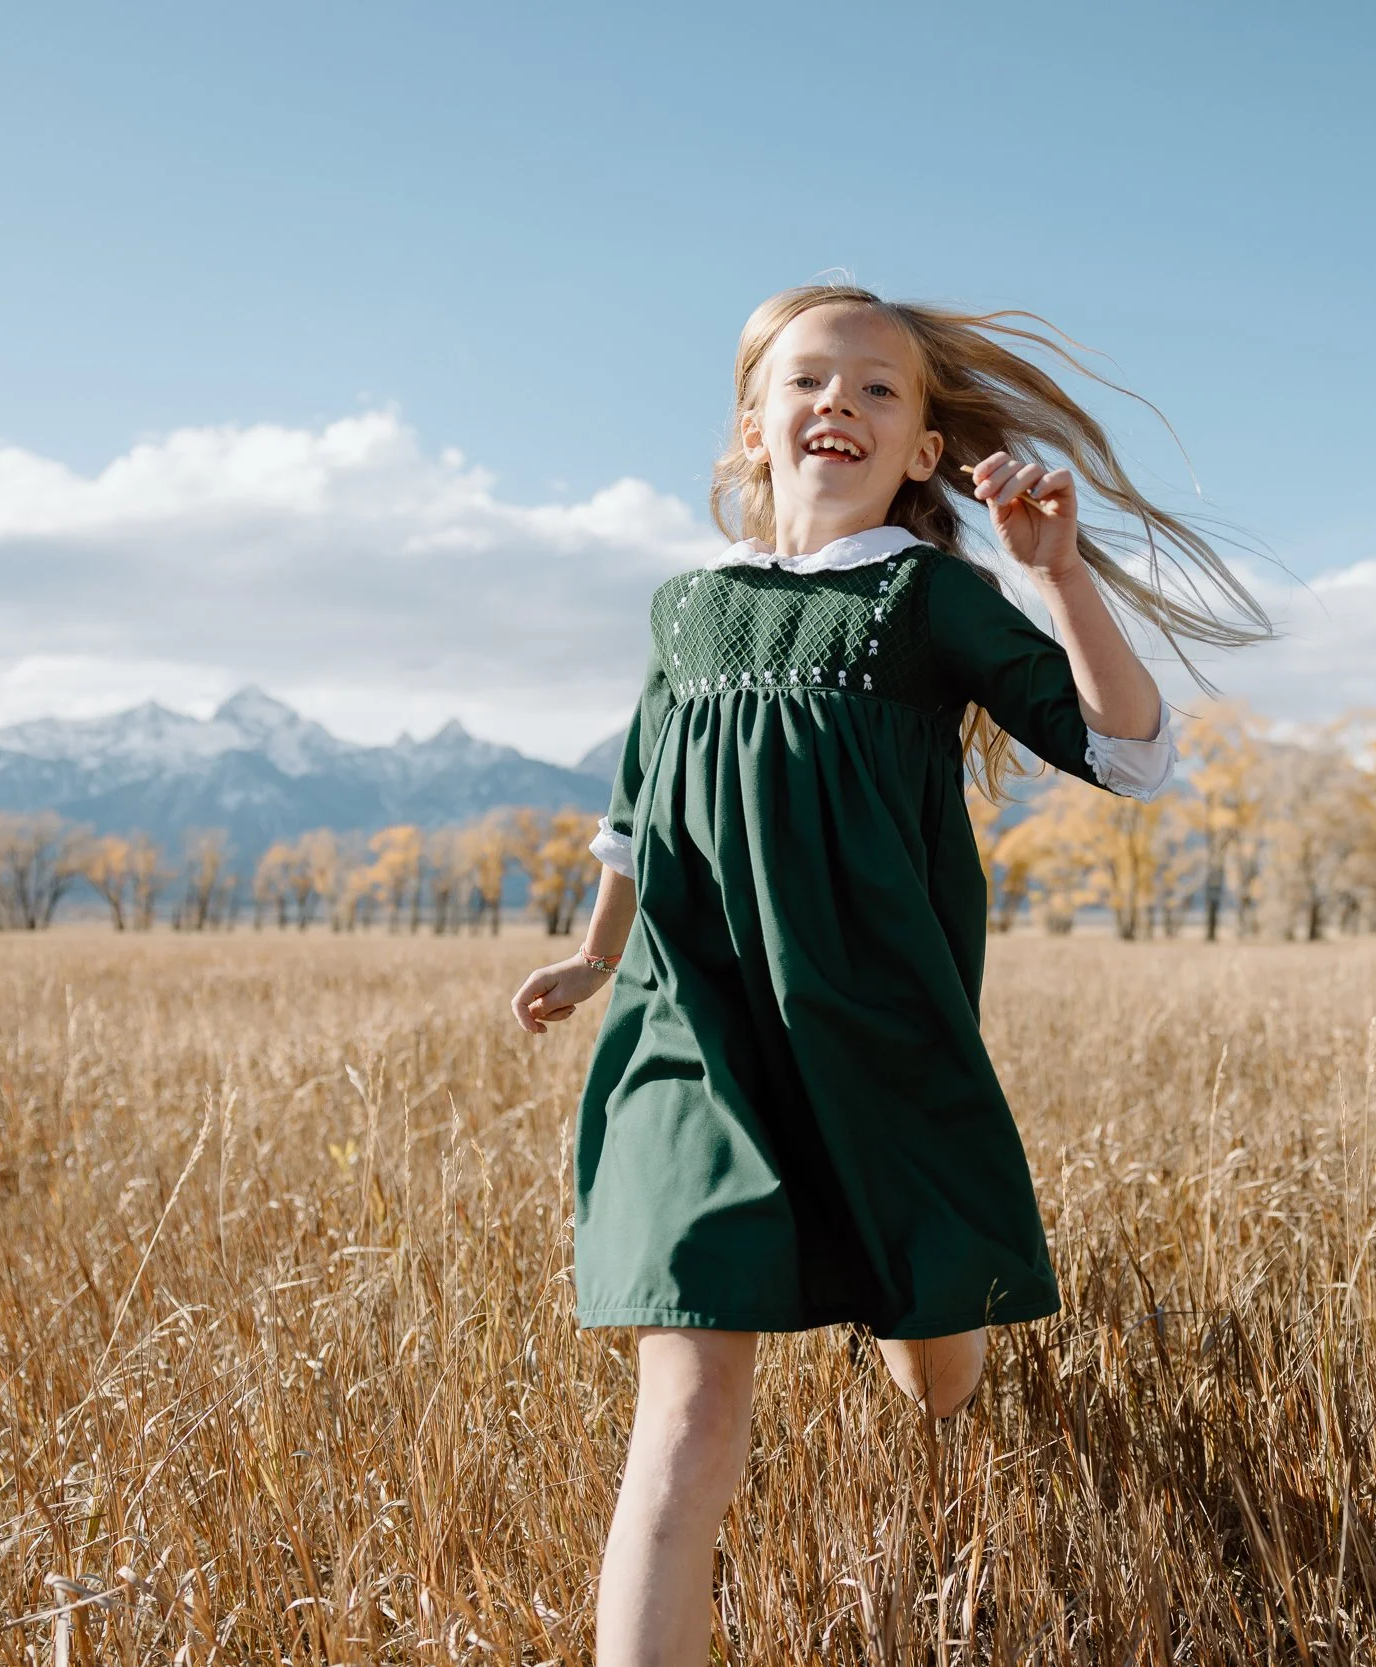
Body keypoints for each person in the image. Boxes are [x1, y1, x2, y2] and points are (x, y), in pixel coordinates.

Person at [509, 283, 1267, 1666]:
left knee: (935, 1352)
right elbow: (638, 799)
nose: (838, 406)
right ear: (754, 426)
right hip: (696, 1030)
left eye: (877, 391)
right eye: (809, 382)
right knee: (684, 1407)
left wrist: (1061, 577)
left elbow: (1131, 752)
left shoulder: (931, 600)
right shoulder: (688, 611)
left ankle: (946, 1396)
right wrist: (595, 948)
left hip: (881, 1032)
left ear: (923, 450)